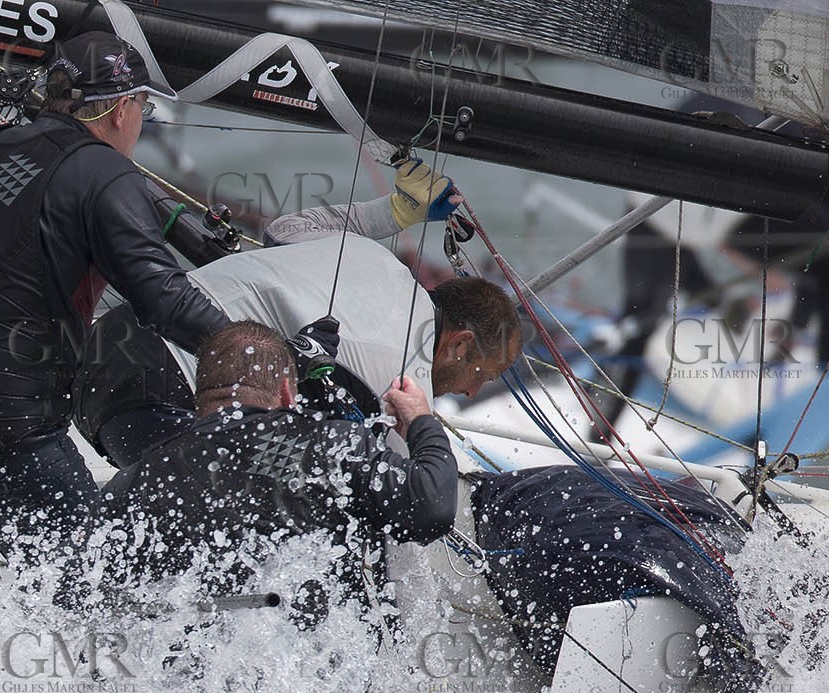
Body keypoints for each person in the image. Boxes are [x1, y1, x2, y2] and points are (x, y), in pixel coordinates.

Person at [0, 31, 231, 602]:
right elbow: (164, 300)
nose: (140, 122)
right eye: (143, 107)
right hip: (6, 436)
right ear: (120, 109)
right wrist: (265, 351)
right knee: (102, 611)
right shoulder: (103, 172)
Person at [75, 160, 523, 467]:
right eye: (484, 374)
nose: (471, 391)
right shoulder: (405, 382)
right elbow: (403, 498)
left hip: (109, 337)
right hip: (161, 387)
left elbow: (286, 230)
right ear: (460, 343)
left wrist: (392, 213)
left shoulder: (375, 257)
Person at [101, 320, 458, 613]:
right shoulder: (328, 447)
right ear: (288, 393)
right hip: (310, 665)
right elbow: (433, 507)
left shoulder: (137, 478)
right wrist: (420, 422)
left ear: (199, 397)